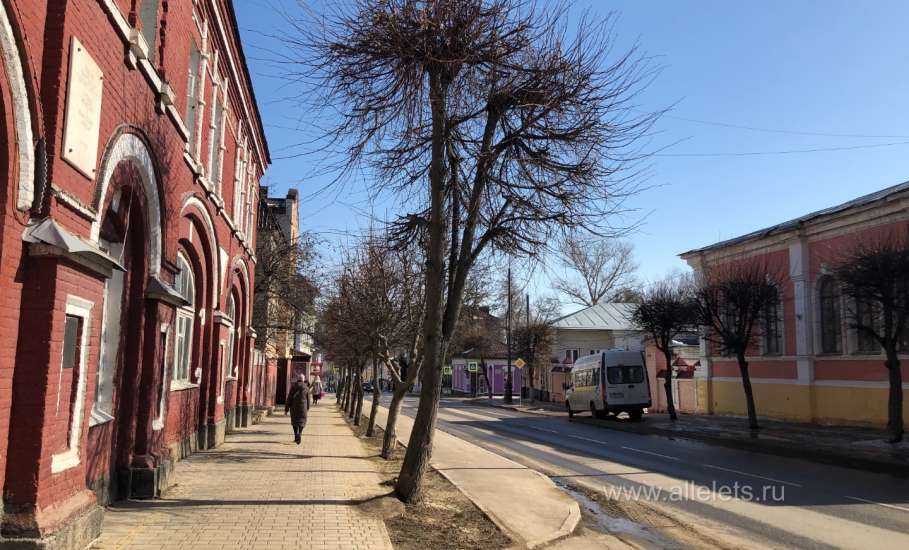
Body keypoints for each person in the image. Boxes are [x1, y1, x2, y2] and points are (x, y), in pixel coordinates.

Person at [285, 374, 310, 444]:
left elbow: (289, 398)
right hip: (303, 408)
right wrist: (307, 408)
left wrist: (286, 409)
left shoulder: (293, 387)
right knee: (302, 422)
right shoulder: (306, 388)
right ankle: (300, 434)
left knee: (294, 422)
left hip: (294, 408)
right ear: (303, 379)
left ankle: (296, 435)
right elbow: (308, 400)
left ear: (298, 379)